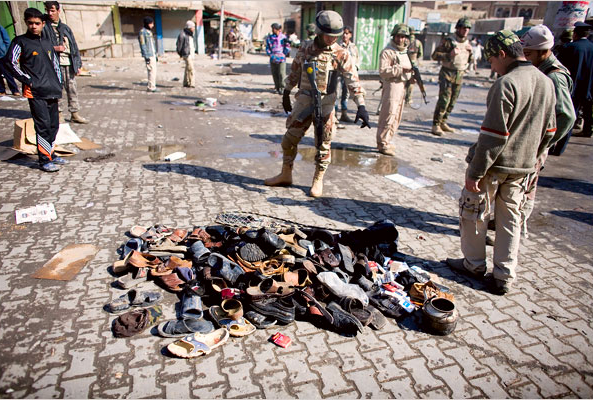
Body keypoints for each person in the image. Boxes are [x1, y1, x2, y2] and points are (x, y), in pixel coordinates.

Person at [446, 30, 557, 295]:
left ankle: (473, 265)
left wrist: (475, 173)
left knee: (474, 213)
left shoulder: (506, 84)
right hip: (522, 168)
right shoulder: (545, 82)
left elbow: (493, 138)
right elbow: (551, 131)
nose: (492, 67)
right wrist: (532, 158)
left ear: (503, 54)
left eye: (492, 61)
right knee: (510, 220)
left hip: (494, 168)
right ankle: (504, 275)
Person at [263, 10, 370, 198]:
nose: (332, 40)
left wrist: (360, 104)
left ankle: (318, 179)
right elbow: (295, 71)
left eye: (335, 36)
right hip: (304, 101)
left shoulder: (341, 54)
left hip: (326, 104)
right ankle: (286, 173)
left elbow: (352, 80)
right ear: (320, 32)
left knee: (323, 143)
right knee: (289, 140)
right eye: (329, 35)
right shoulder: (305, 48)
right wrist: (287, 91)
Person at [520, 24, 576, 235]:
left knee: (526, 188)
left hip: (536, 144)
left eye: (529, 53)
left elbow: (567, 115)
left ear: (543, 52)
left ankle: (516, 226)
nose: (526, 57)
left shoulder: (554, 77)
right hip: (533, 141)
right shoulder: (542, 69)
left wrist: (545, 143)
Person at [3, 8, 65, 172]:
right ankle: (44, 160)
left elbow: (55, 65)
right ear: (26, 23)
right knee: (43, 125)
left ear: (43, 24)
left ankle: (51, 153)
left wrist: (59, 83)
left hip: (52, 89)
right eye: (30, 23)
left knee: (53, 125)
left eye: (37, 23)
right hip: (35, 91)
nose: (34, 26)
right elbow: (11, 63)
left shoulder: (46, 42)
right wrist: (28, 80)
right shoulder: (20, 42)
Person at [43, 1, 88, 123]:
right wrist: (54, 48)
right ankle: (58, 114)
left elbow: (74, 46)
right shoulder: (44, 27)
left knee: (72, 89)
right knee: (57, 90)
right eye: (47, 10)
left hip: (69, 63)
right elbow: (40, 46)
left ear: (58, 11)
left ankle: (75, 113)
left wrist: (78, 64)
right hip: (54, 64)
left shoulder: (65, 28)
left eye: (52, 10)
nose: (50, 13)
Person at [430, 17, 473, 136]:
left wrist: (471, 53)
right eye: (463, 28)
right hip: (447, 73)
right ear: (458, 28)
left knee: (453, 101)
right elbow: (434, 55)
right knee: (444, 100)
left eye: (467, 29)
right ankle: (436, 124)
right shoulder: (449, 41)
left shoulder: (467, 43)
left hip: (459, 73)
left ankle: (444, 121)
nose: (465, 31)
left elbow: (468, 60)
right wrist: (449, 55)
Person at [376, 24, 413, 156]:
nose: (401, 39)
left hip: (402, 86)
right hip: (392, 85)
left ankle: (388, 140)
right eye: (398, 36)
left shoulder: (404, 52)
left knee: (397, 115)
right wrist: (400, 69)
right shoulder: (388, 52)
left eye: (403, 37)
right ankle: (382, 142)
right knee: (388, 114)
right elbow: (383, 71)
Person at [556, 21, 593, 146]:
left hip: (573, 88)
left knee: (570, 115)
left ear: (575, 34)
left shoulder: (570, 48)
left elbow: (559, 68)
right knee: (587, 111)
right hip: (588, 88)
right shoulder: (592, 47)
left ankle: (560, 146)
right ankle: (588, 130)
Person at [336, 26, 360, 122]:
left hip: (349, 75)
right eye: (343, 33)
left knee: (346, 94)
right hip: (338, 74)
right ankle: (334, 115)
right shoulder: (338, 46)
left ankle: (344, 113)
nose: (345, 35)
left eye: (347, 33)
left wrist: (355, 70)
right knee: (336, 93)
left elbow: (357, 60)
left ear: (350, 35)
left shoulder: (353, 47)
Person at [265, 23, 290, 94]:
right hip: (273, 58)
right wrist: (270, 54)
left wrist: (283, 54)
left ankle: (282, 88)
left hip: (281, 58)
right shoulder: (270, 38)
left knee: (281, 74)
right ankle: (277, 87)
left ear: (279, 30)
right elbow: (267, 47)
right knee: (275, 73)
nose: (273, 30)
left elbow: (287, 46)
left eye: (275, 29)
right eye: (273, 28)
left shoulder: (283, 37)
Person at [0, 24, 20, 96]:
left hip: (2, 54)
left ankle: (14, 90)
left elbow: (7, 40)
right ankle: (2, 90)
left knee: (7, 73)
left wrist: (6, 51)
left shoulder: (0, 27)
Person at [138, 16, 157, 92]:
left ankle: (153, 86)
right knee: (151, 71)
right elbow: (143, 45)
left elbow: (152, 44)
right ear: (148, 24)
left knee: (153, 71)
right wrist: (146, 56)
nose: (153, 25)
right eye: (151, 23)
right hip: (149, 55)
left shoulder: (149, 32)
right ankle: (151, 87)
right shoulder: (142, 32)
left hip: (152, 54)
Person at [404, 30, 423, 106]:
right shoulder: (418, 42)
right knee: (411, 83)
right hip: (414, 64)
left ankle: (402, 98)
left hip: (405, 63)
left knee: (404, 81)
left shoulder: (405, 41)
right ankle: (408, 99)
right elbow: (420, 54)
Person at [176, 20, 195, 87]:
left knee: (187, 68)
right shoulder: (182, 34)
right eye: (193, 27)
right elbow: (179, 45)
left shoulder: (190, 34)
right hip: (186, 54)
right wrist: (180, 54)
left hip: (190, 53)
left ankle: (186, 82)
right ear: (189, 27)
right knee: (191, 68)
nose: (194, 28)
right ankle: (191, 83)